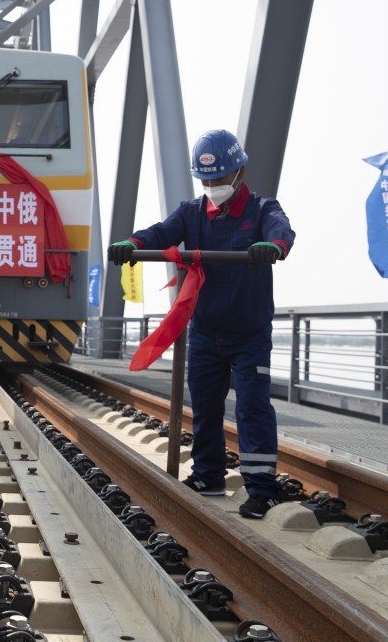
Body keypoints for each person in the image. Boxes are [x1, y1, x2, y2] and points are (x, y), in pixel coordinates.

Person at [107, 129, 295, 520]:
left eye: (219, 179)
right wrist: (134, 244)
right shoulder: (191, 213)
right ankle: (209, 475)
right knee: (206, 407)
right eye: (205, 180)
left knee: (252, 406)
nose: (212, 186)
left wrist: (274, 247)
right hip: (207, 332)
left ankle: (262, 489)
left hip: (249, 333)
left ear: (239, 171)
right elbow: (161, 233)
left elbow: (282, 231)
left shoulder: (262, 209)